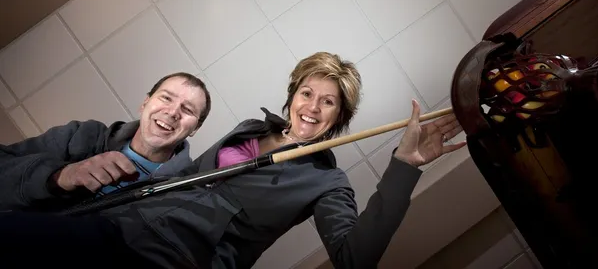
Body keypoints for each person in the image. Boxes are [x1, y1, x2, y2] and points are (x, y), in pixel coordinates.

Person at [0, 53, 464, 269]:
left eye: (329, 103)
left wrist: (404, 169)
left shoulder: (329, 184)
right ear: (292, 96)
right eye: (307, 93)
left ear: (341, 117)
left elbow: (353, 260)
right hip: (113, 227)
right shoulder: (247, 127)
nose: (313, 107)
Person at [0, 71, 211, 212]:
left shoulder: (184, 193)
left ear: (196, 128)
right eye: (166, 97)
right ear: (145, 103)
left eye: (188, 109)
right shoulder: (82, 135)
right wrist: (57, 177)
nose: (173, 112)